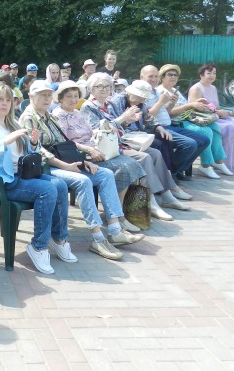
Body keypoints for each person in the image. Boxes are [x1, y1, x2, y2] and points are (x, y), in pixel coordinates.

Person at [21, 80, 144, 260]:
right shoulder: (28, 118)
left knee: (105, 174)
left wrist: (81, 160)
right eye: (42, 95)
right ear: (31, 97)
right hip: (45, 168)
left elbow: (64, 144)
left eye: (49, 95)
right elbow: (38, 151)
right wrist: (67, 166)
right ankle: (98, 238)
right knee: (83, 180)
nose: (47, 99)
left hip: (64, 163)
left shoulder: (48, 116)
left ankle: (115, 229)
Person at [0, 83, 74, 274]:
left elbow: (26, 153)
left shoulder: (12, 122)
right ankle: (38, 246)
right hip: (2, 182)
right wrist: (5, 142)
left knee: (60, 185)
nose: (5, 103)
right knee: (48, 190)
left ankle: (58, 239)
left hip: (22, 174)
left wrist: (33, 143)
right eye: (0, 99)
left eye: (8, 99)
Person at [80, 73, 180, 221]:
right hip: (104, 149)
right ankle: (151, 201)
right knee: (145, 156)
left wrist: (127, 121)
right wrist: (124, 119)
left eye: (107, 86)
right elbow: (97, 131)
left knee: (155, 152)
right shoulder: (89, 107)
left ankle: (166, 195)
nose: (104, 89)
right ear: (91, 89)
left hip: (118, 142)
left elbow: (120, 126)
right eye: (99, 86)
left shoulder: (109, 104)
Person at [140, 65, 209, 181]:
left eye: (156, 76)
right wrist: (161, 102)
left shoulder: (158, 91)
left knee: (204, 140)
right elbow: (149, 116)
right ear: (142, 77)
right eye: (150, 76)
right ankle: (170, 173)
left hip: (170, 125)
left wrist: (171, 103)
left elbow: (166, 112)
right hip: (156, 128)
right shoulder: (142, 93)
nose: (154, 79)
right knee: (190, 144)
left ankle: (175, 170)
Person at [188, 63, 234, 173]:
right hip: (202, 118)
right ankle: (219, 160)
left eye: (214, 73)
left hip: (215, 116)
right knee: (229, 127)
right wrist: (217, 112)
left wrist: (229, 112)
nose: (212, 76)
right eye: (208, 73)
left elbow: (217, 107)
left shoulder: (213, 88)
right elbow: (194, 108)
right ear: (201, 75)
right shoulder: (196, 88)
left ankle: (232, 159)